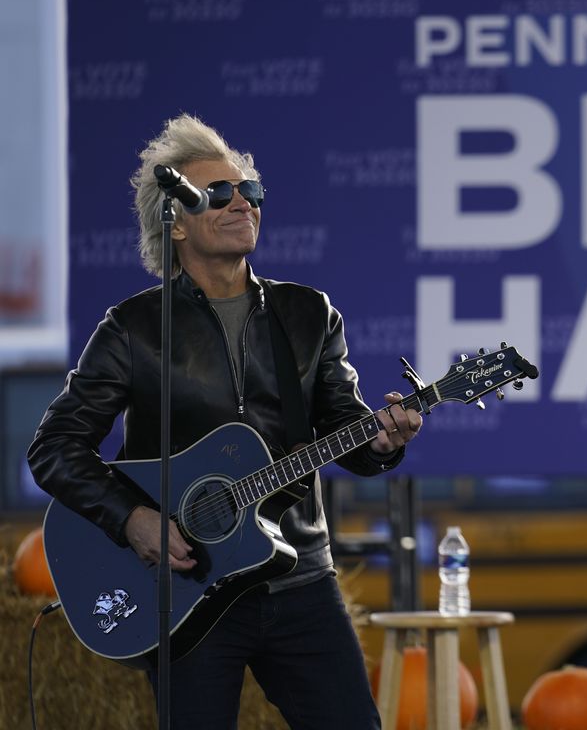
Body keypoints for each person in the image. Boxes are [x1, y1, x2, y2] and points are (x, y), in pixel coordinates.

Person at [27, 113, 419, 729]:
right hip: (186, 590)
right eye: (220, 194)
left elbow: (350, 437)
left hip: (300, 578)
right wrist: (132, 518)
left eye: (250, 192)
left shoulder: (308, 314)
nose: (243, 203)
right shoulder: (133, 329)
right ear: (176, 222)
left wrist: (386, 441)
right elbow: (53, 448)